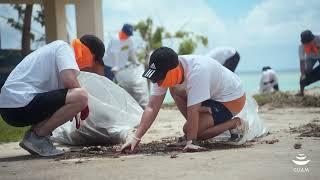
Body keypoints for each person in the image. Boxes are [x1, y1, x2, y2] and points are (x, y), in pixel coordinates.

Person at [121, 47, 248, 152]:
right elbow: (152, 107)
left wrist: (191, 141)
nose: (157, 82)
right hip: (211, 96)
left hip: (232, 99)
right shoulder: (164, 71)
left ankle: (235, 123)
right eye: (155, 78)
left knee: (192, 131)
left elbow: (193, 110)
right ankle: (200, 126)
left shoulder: (197, 71)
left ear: (174, 70)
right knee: (174, 90)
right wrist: (136, 138)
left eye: (160, 78)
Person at [0, 34, 105, 156]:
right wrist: (83, 105)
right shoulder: (65, 48)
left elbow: (63, 94)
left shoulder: (56, 50)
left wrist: (71, 108)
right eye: (94, 60)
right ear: (90, 53)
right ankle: (37, 138)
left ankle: (36, 137)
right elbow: (69, 81)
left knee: (74, 96)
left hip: (12, 107)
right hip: (18, 104)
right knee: (81, 96)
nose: (90, 65)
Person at [103, 24, 148, 109]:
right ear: (122, 32)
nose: (127, 36)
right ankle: (109, 106)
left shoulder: (129, 40)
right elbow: (115, 54)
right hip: (110, 66)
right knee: (109, 85)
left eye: (129, 35)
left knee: (121, 86)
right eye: (126, 34)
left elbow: (131, 52)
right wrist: (115, 67)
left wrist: (136, 62)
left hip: (120, 67)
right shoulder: (116, 39)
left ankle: (125, 106)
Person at [298, 30, 320, 96]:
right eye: (306, 43)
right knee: (306, 73)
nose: (308, 44)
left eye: (309, 42)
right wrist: (302, 74)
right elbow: (302, 62)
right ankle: (301, 93)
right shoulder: (301, 47)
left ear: (313, 38)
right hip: (310, 58)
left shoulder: (318, 39)